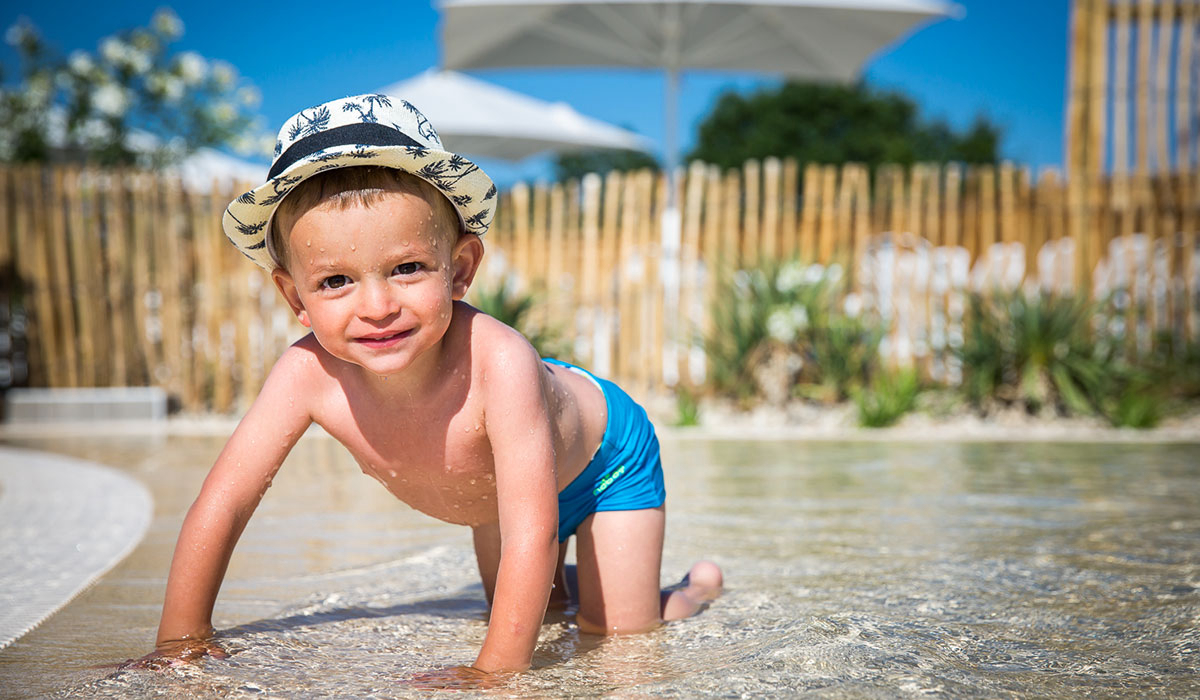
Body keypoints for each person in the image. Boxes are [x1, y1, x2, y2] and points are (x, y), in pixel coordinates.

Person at [136, 94, 721, 687]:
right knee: (538, 612)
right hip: (502, 493)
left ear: (460, 268)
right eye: (335, 281)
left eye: (407, 268)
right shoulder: (306, 374)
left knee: (615, 633)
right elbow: (223, 505)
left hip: (605, 463)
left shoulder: (500, 363)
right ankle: (605, 580)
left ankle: (690, 591)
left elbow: (531, 533)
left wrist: (493, 675)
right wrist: (181, 641)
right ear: (295, 298)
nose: (377, 306)